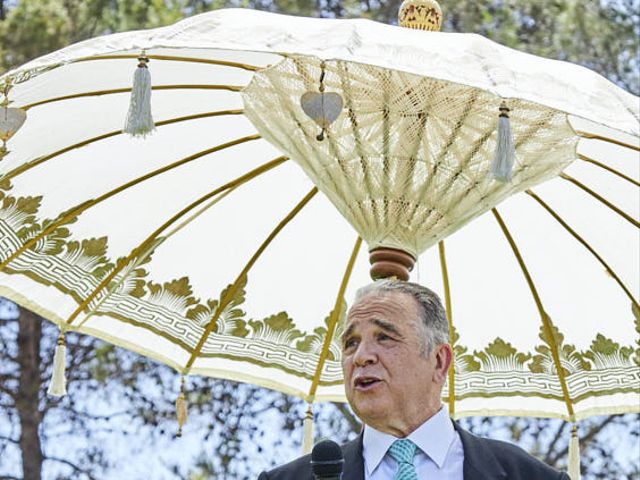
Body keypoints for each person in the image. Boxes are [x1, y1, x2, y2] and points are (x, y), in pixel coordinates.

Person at [258, 280, 570, 479]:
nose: (361, 356)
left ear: (439, 360)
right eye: (350, 343)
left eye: (384, 337)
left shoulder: (526, 475)